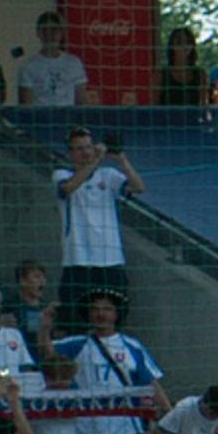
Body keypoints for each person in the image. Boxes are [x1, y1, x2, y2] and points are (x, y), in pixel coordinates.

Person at [58, 289, 161, 434]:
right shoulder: (75, 344)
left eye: (107, 309)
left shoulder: (131, 346)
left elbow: (150, 382)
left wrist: (168, 414)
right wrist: (44, 328)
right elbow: (46, 354)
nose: (101, 314)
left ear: (116, 314)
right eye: (95, 309)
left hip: (124, 424)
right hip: (87, 425)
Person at [53, 125, 143, 323]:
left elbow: (138, 187)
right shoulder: (61, 175)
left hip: (110, 260)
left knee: (114, 319)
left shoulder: (108, 175)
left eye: (88, 147)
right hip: (78, 260)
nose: (86, 152)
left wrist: (121, 159)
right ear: (70, 153)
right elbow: (69, 187)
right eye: (79, 148)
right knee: (73, 319)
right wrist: (96, 160)